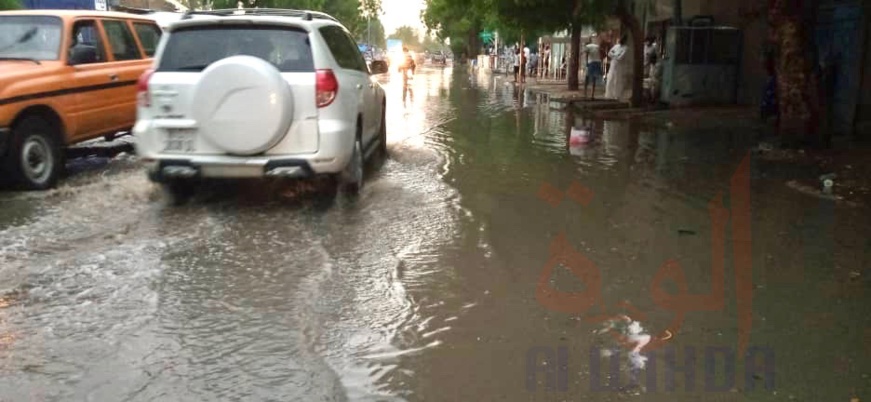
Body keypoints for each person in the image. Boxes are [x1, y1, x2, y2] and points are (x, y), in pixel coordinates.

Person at [605, 35, 631, 100]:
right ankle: (609, 95)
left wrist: (614, 55)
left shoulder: (626, 48)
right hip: (613, 65)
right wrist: (616, 55)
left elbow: (620, 57)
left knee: (617, 81)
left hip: (620, 66)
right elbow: (609, 53)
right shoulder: (616, 46)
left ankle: (617, 95)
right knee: (610, 79)